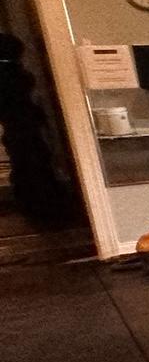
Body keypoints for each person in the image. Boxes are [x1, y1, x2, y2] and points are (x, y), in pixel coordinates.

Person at [0, 31, 80, 228]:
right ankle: (45, 206)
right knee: (35, 163)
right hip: (25, 126)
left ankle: (38, 205)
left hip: (18, 127)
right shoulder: (15, 73)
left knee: (29, 165)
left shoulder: (9, 73)